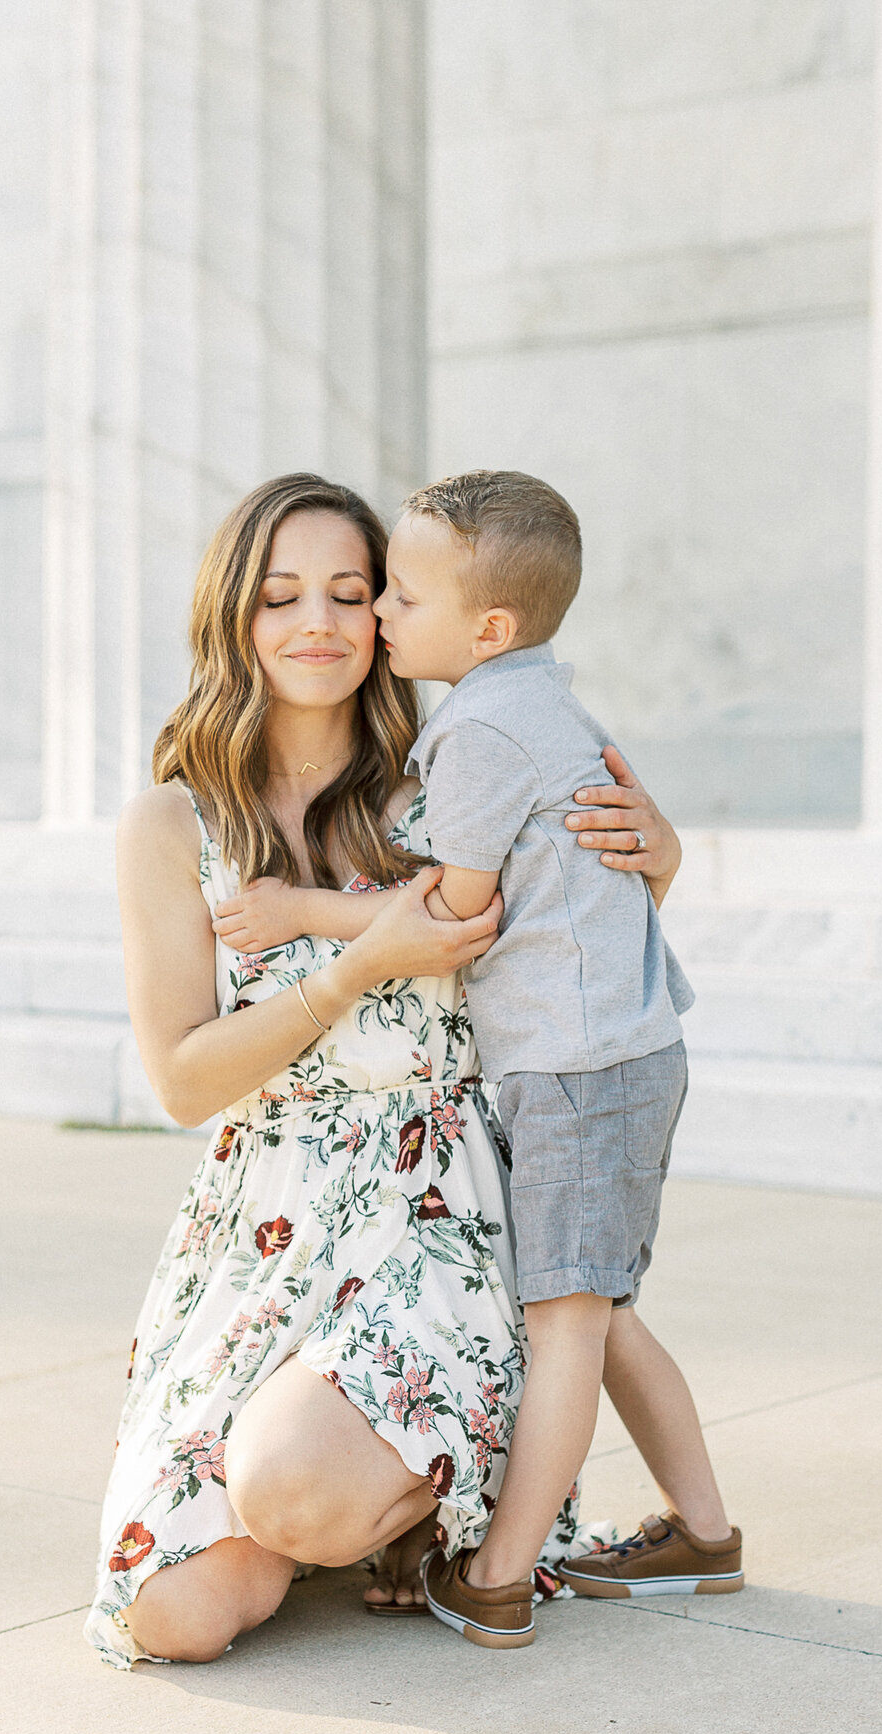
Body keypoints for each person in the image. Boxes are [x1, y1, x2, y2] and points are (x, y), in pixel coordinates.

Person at [91, 471, 680, 1667]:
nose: (317, 623)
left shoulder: (461, 764)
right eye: (281, 596)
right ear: (232, 618)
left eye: (352, 593)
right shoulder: (174, 824)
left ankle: (405, 1504)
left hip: (434, 1206)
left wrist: (661, 860)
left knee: (294, 1491)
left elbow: (583, 929)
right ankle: (379, 1502)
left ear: (394, 614)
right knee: (172, 1622)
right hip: (259, 1220)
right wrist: (355, 968)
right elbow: (186, 1082)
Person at [370, 468, 739, 1650]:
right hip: (597, 1055)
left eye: (399, 592)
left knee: (567, 1320)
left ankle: (500, 1574)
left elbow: (452, 913)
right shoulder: (539, 701)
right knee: (603, 1308)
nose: (377, 609)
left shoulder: (479, 725)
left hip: (580, 1066)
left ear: (488, 629)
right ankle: (706, 1536)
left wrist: (294, 908)